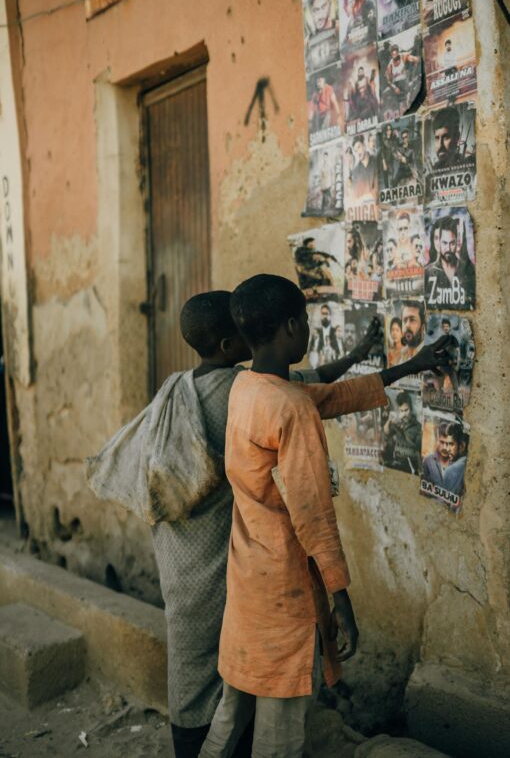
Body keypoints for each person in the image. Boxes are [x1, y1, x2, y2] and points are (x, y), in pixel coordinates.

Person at [87, 290, 380, 758]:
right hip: (229, 565)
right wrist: (338, 592)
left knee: (209, 678)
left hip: (181, 556)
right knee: (249, 690)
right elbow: (312, 392)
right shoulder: (246, 392)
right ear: (229, 345)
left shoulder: (180, 386)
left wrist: (363, 358)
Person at [198, 274, 454, 758]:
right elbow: (313, 517)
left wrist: (409, 367)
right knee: (278, 736)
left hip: (248, 586)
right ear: (293, 326)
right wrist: (343, 603)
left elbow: (331, 398)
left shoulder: (246, 388)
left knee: (230, 718)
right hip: (285, 595)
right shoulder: (289, 406)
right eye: (308, 321)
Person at [425, 215, 475, 308]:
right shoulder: (428, 272)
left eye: (452, 243)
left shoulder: (468, 270)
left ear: (457, 242)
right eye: (444, 243)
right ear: (438, 243)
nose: (448, 248)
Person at [422, 421, 466, 496]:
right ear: (437, 440)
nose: (445, 448)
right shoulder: (428, 461)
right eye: (442, 442)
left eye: (450, 443)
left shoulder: (458, 464)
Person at [382, 390, 422, 473]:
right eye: (401, 411)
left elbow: (414, 446)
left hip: (411, 469)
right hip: (396, 464)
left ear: (411, 408)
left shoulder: (418, 427)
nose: (404, 414)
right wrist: (389, 420)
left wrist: (400, 429)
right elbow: (386, 432)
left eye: (406, 410)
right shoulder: (399, 422)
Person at [431, 106, 470, 170]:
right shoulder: (433, 170)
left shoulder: (467, 167)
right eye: (437, 138)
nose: (440, 145)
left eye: (446, 137)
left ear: (457, 137)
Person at [350, 134, 378, 199]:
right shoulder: (356, 172)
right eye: (355, 151)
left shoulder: (376, 161)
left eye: (359, 147)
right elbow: (356, 195)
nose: (358, 152)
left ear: (364, 146)